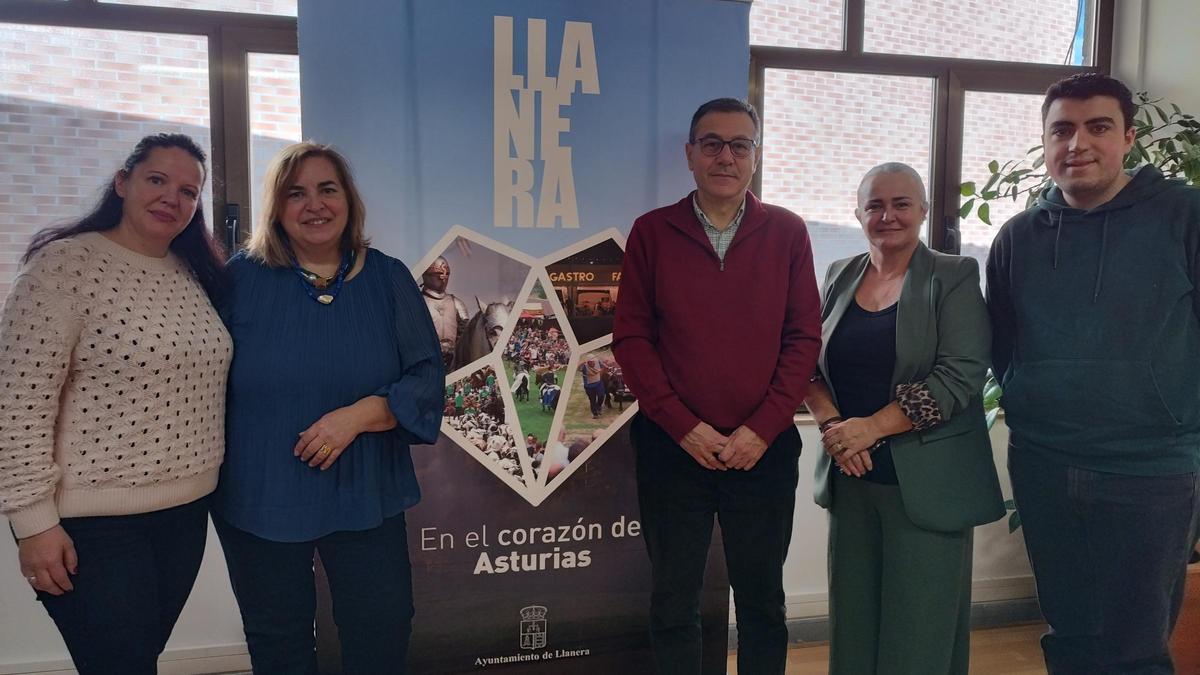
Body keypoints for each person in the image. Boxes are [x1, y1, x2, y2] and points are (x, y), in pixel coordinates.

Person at [987, 72, 1200, 674]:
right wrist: (1034, 398)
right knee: (1068, 631)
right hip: (1045, 462)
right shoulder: (1018, 238)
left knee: (1136, 644)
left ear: (1128, 137)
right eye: (1062, 130)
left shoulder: (1185, 215)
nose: (1077, 143)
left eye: (1097, 127)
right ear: (1046, 143)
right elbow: (1005, 344)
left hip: (1150, 469)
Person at [0, 133, 232, 673]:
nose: (171, 197)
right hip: (94, 524)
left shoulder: (192, 273)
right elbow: (16, 404)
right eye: (157, 180)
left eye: (188, 191)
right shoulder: (65, 266)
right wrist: (32, 523)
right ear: (123, 182)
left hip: (185, 514)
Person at [212, 141, 443, 674]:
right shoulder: (239, 280)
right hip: (262, 495)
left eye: (326, 189)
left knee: (381, 632)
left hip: (365, 493)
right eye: (296, 193)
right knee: (279, 643)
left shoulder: (388, 278)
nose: (314, 205)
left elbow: (428, 377)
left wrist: (360, 415)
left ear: (348, 200)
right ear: (276, 207)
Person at [613, 97, 821, 674]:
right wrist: (684, 428)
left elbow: (803, 339)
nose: (724, 156)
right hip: (673, 450)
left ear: (755, 156)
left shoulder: (788, 232)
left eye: (739, 145)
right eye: (711, 144)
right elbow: (631, 340)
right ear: (689, 155)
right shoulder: (652, 232)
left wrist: (761, 429)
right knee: (674, 603)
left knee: (762, 604)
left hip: (765, 451)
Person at [804, 162, 1004, 674]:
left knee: (919, 637)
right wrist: (834, 431)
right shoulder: (837, 275)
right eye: (875, 205)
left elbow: (958, 377)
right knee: (852, 628)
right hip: (853, 482)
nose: (887, 215)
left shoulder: (953, 276)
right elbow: (806, 367)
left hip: (927, 488)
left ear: (922, 211)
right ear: (857, 214)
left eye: (900, 204)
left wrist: (870, 428)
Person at [419, 256, 468, 369]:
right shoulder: (418, 302)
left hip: (454, 363)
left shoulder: (457, 303)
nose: (443, 277)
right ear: (426, 274)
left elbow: (465, 336)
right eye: (439, 273)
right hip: (427, 362)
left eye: (446, 273)